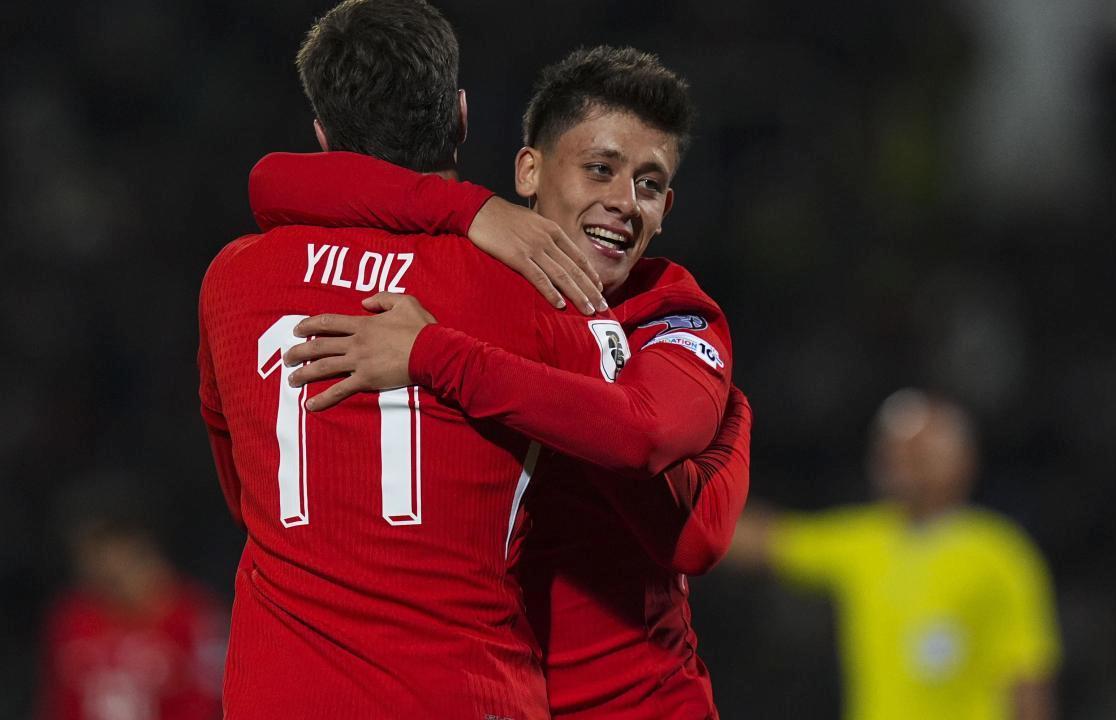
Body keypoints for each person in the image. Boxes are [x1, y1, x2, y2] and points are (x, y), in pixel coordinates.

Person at [257, 47, 751, 718]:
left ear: (666, 208)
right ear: (529, 171)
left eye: (649, 184)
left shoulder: (671, 315)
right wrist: (469, 209)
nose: (623, 202)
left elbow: (687, 516)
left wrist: (438, 355)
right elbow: (274, 183)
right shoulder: (473, 280)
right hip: (489, 695)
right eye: (600, 169)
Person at [197, 3, 626, 717]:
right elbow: (632, 447)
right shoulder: (532, 288)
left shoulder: (234, 279)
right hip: (465, 690)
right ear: (460, 116)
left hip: (282, 694)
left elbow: (242, 492)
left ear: (322, 133)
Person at [727, 389, 1061, 720]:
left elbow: (1028, 679)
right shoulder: (864, 542)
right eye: (892, 452)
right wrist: (695, 496)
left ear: (961, 459)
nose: (901, 463)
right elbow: (767, 542)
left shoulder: (1000, 556)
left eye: (919, 452)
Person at [37, 510, 224, 720]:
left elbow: (213, 699)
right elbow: (56, 701)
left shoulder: (194, 616)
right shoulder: (73, 619)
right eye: (99, 571)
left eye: (118, 568)